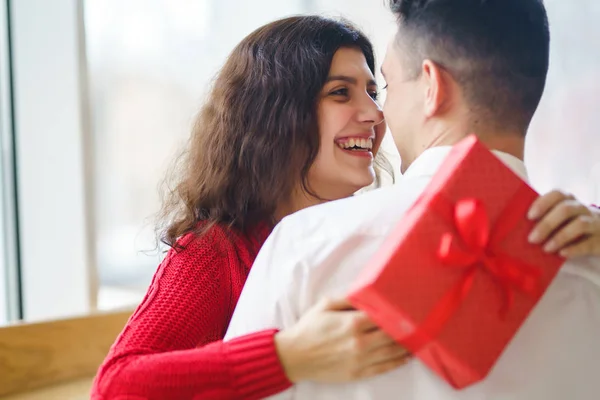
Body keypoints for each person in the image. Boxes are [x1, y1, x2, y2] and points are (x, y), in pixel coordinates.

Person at [225, 1, 600, 399]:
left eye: (383, 87)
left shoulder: (305, 245)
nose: (377, 112)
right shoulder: (589, 262)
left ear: (432, 87)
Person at [92, 16, 409, 400]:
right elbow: (115, 388)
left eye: (374, 93)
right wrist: (290, 358)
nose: (375, 114)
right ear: (275, 116)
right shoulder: (217, 251)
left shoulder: (371, 234)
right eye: (341, 92)